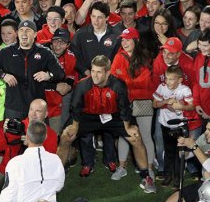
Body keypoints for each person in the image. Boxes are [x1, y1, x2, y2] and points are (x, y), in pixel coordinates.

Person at [57, 55, 156, 193]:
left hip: (113, 117)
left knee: (136, 137)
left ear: (108, 73)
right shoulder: (82, 85)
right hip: (88, 116)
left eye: (99, 72)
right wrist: (74, 126)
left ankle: (147, 177)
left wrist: (127, 127)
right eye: (93, 71)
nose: (95, 75)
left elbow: (124, 109)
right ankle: (55, 178)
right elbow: (76, 108)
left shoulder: (118, 85)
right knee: (65, 136)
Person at [0, 20, 64, 119]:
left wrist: (48, 75)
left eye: (28, 30)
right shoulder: (6, 52)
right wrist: (3, 75)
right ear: (18, 33)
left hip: (36, 108)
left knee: (36, 134)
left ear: (35, 34)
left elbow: (60, 73)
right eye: (21, 30)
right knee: (11, 135)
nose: (24, 33)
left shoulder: (44, 52)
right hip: (13, 107)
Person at [0, 120, 65, 202]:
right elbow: (59, 186)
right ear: (45, 137)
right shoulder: (56, 160)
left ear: (27, 137)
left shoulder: (15, 163)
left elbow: (8, 193)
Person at [110, 28, 155, 181]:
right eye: (123, 40)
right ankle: (122, 167)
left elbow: (145, 82)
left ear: (136, 40)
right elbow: (114, 79)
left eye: (128, 39)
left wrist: (126, 80)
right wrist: (130, 82)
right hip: (124, 102)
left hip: (143, 100)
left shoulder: (146, 56)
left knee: (146, 136)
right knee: (124, 135)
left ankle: (148, 169)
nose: (124, 42)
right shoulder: (118, 56)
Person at [153, 65, 199, 188]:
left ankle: (178, 179)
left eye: (171, 79)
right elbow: (155, 104)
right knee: (168, 151)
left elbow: (192, 106)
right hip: (165, 124)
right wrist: (165, 102)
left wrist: (181, 107)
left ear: (180, 80)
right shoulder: (162, 87)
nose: (168, 81)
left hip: (180, 125)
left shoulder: (185, 90)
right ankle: (168, 176)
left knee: (180, 153)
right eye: (166, 78)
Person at [164, 122, 210, 202]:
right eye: (206, 129)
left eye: (209, 130)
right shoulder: (204, 139)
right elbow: (186, 156)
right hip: (203, 185)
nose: (205, 132)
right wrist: (183, 148)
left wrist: (194, 146)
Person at [193, 29, 210, 127]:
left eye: (205, 45)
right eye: (199, 44)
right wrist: (197, 103)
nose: (201, 48)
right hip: (202, 110)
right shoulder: (199, 57)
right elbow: (196, 82)